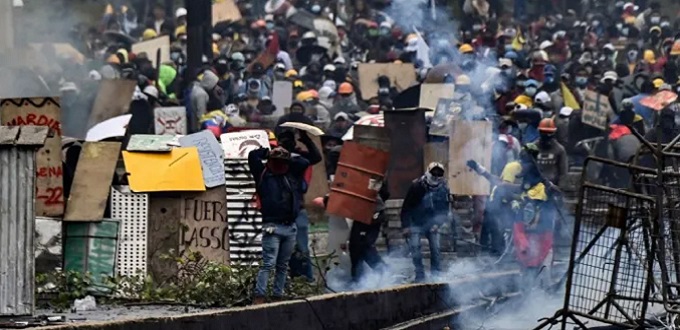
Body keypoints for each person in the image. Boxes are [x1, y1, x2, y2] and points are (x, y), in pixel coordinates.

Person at [248, 146, 310, 304]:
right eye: (277, 161)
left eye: (283, 162)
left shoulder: (290, 175)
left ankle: (277, 296)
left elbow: (305, 162)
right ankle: (259, 297)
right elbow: (252, 156)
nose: (280, 165)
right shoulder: (263, 175)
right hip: (272, 226)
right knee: (269, 264)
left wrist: (290, 154)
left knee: (282, 265)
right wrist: (267, 151)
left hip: (290, 227)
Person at [277, 130, 323, 283]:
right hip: (281, 211)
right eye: (283, 141)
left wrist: (307, 140)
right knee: (283, 250)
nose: (285, 144)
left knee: (302, 249)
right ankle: (289, 281)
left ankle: (307, 281)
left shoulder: (298, 158)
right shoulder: (275, 158)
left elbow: (316, 157)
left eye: (288, 141)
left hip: (297, 210)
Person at [401, 162, 450, 282]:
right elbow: (406, 207)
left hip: (432, 223)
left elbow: (444, 210)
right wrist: (406, 225)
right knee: (416, 248)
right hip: (416, 222)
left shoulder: (443, 188)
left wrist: (437, 224)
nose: (436, 176)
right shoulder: (416, 186)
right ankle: (420, 275)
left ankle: (436, 275)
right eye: (434, 172)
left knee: (435, 248)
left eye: (439, 173)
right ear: (428, 171)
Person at [536, 118, 569, 186]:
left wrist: (559, 189)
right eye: (544, 132)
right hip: (534, 186)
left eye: (549, 133)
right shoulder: (532, 148)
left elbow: (563, 172)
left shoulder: (559, 149)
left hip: (552, 187)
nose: (547, 135)